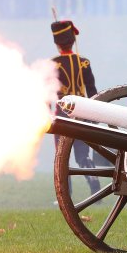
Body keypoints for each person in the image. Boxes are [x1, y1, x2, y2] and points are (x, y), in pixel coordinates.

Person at [51, 20, 101, 196]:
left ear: (57, 43)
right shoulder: (84, 63)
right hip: (82, 114)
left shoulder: (52, 64)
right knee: (83, 156)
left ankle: (65, 196)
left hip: (61, 116)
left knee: (61, 157)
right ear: (72, 40)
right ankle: (95, 185)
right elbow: (93, 92)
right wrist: (95, 116)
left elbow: (45, 93)